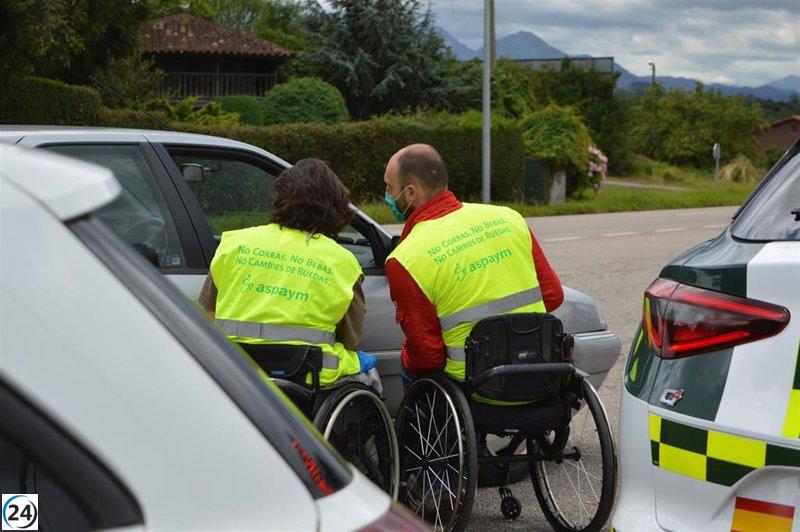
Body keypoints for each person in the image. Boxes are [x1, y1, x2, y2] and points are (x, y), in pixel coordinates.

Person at [383, 144, 564, 387]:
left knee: (409, 366)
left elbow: (428, 357)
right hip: (537, 371)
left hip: (475, 386)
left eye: (390, 187)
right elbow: (553, 296)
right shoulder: (508, 218)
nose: (387, 195)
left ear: (411, 193)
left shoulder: (405, 258)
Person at [198, 158, 378, 389]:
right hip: (309, 378)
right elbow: (352, 340)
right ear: (336, 207)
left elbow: (207, 316)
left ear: (280, 198)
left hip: (237, 373)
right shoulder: (343, 262)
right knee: (369, 375)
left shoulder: (234, 245)